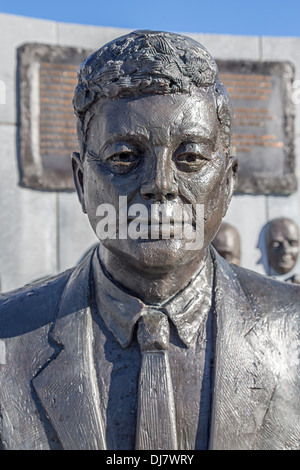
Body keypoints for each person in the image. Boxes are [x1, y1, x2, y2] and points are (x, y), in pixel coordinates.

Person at [0, 30, 299, 451]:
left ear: (228, 183)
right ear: (82, 182)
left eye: (190, 157)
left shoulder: (295, 328)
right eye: (124, 157)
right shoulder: (7, 338)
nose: (160, 185)